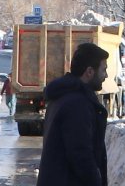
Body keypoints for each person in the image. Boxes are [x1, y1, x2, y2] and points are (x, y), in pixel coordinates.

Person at [37, 42, 109, 186]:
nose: (106, 75)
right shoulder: (77, 104)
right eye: (103, 70)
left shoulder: (64, 97)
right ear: (89, 71)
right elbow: (81, 155)